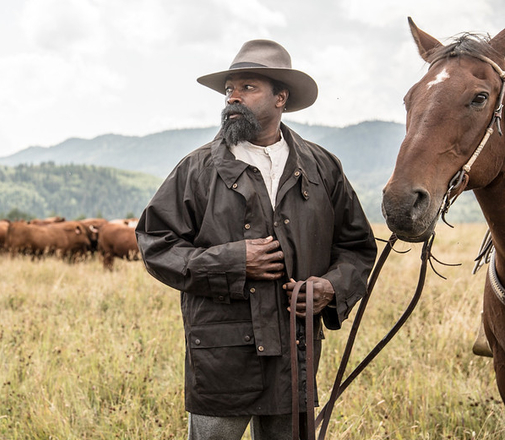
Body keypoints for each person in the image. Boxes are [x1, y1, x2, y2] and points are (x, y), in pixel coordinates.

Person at [135, 40, 377, 439]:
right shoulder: (197, 169)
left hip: (294, 359)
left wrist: (331, 287)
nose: (232, 97)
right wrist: (232, 262)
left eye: (247, 87)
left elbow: (356, 246)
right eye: (230, 88)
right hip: (221, 359)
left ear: (281, 97)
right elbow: (155, 242)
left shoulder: (322, 167)